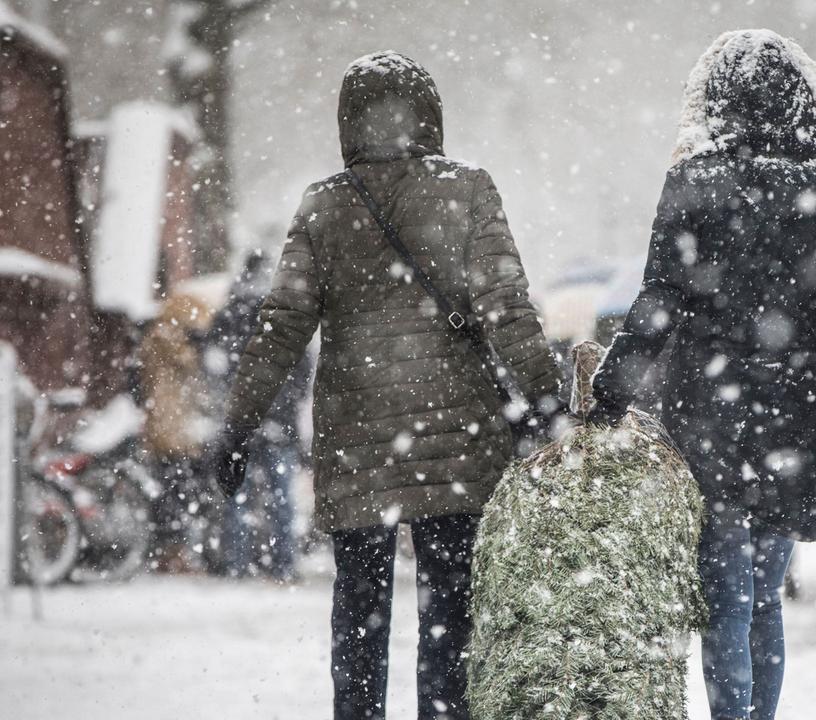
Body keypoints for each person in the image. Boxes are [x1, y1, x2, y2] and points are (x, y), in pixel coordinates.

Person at [213, 52, 561, 720]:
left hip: (357, 444)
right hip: (456, 437)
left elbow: (280, 326)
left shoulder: (323, 206)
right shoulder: (468, 190)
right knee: (451, 612)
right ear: (430, 115)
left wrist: (239, 424)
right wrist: (547, 398)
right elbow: (506, 306)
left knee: (359, 611)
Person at [589, 30, 816, 720]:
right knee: (764, 600)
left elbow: (658, 301)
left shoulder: (693, 186)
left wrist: (610, 392)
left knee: (724, 602)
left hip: (708, 415)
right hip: (789, 419)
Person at [207, 251, 311, 581]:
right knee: (281, 498)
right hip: (279, 420)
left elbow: (217, 363)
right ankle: (283, 565)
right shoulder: (283, 309)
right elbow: (303, 368)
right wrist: (286, 402)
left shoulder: (230, 311)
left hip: (241, 422)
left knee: (236, 495)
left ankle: (236, 565)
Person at [139, 292, 216, 573]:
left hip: (169, 425)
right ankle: (173, 554)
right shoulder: (169, 340)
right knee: (176, 494)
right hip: (172, 428)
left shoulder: (157, 338)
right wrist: (196, 345)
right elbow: (188, 366)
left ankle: (171, 552)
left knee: (173, 493)